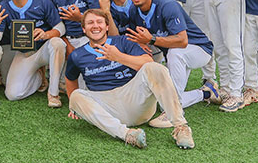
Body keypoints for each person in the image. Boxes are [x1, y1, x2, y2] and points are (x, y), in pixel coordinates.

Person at [65, 9, 195, 149]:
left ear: (107, 26)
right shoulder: (77, 55)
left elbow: (147, 61)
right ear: (84, 29)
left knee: (156, 68)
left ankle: (181, 127)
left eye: (99, 22)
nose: (95, 26)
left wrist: (118, 57)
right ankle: (128, 134)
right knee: (75, 96)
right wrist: (75, 108)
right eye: (90, 23)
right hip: (106, 106)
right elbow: (70, 79)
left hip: (134, 100)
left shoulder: (123, 41)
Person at [121, 0, 218, 128]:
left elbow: (182, 40)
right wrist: (143, 45)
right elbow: (138, 39)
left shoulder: (167, 5)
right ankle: (206, 92)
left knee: (175, 52)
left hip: (199, 49)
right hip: (175, 53)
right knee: (162, 100)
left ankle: (172, 113)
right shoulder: (134, 10)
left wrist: (151, 39)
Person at [0, 0, 67, 107]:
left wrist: (46, 34)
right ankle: (39, 77)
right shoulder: (3, 7)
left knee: (57, 43)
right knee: (12, 94)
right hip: (23, 53)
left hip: (44, 50)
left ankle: (53, 94)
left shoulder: (42, 2)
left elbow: (61, 28)